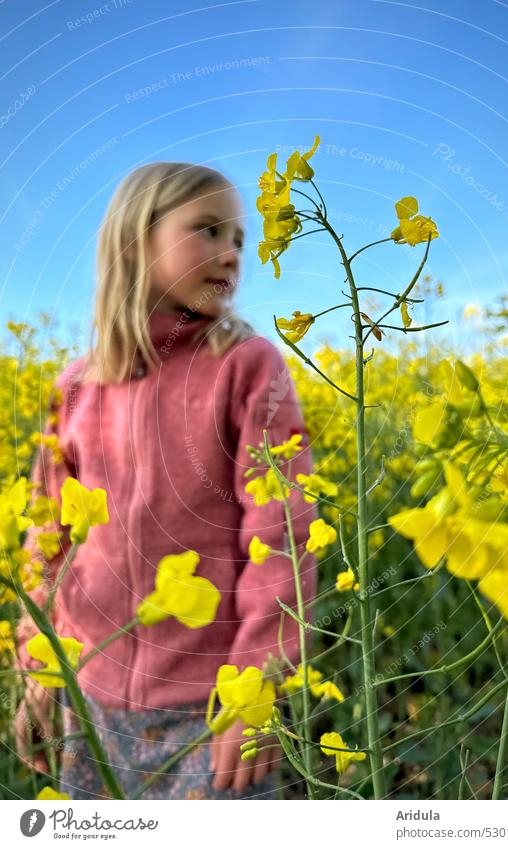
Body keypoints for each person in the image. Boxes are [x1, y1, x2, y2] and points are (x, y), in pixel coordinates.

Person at [15, 162, 318, 799]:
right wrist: (38, 668)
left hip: (212, 707)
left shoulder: (245, 365)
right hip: (87, 693)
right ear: (135, 240)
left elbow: (283, 535)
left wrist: (255, 691)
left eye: (240, 239)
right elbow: (48, 540)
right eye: (208, 230)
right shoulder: (75, 388)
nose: (232, 254)